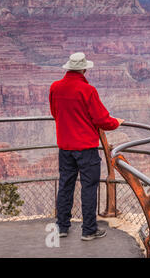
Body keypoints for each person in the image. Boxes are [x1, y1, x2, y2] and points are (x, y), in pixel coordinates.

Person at [49, 52, 124, 241]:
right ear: (83, 69)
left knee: (65, 185)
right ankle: (88, 229)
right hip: (86, 148)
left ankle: (62, 227)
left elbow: (54, 112)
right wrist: (116, 122)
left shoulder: (55, 87)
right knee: (88, 187)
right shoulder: (87, 90)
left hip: (65, 146)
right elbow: (101, 119)